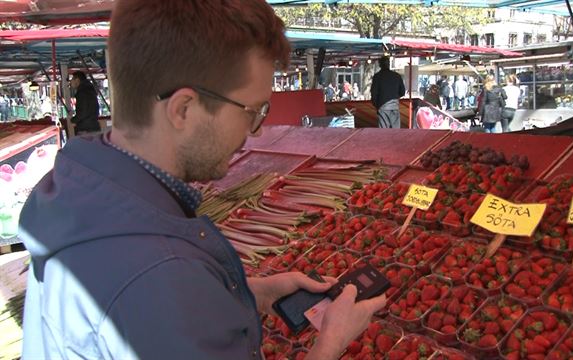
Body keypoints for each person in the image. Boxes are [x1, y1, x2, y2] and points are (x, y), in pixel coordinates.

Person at [20, 1, 386, 360]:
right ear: (184, 109)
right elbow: (154, 297)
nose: (255, 132)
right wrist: (330, 344)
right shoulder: (164, 277)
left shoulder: (81, 190)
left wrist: (249, 295)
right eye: (251, 112)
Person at [371, 56, 406, 128]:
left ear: (380, 64)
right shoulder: (397, 76)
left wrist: (377, 105)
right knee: (395, 132)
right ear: (389, 64)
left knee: (383, 132)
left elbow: (374, 93)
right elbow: (402, 92)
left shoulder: (377, 76)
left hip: (382, 107)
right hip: (394, 106)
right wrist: (394, 97)